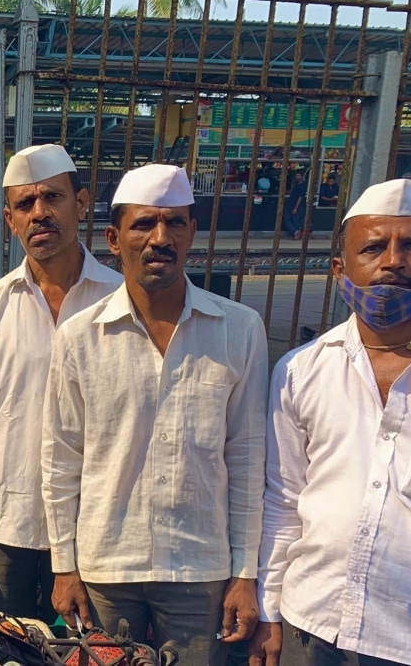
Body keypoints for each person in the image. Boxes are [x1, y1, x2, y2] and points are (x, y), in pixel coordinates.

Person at [42, 164, 268, 664]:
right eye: (143, 224)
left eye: (175, 223)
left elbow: (249, 460)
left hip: (199, 570)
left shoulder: (239, 329)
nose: (160, 238)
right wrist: (64, 568)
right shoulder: (79, 336)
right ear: (113, 237)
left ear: (191, 233)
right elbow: (60, 461)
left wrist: (245, 573)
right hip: (105, 568)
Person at [249, 179, 411, 666]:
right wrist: (270, 611)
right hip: (311, 622)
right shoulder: (300, 370)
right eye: (374, 247)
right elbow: (284, 499)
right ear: (340, 268)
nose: (393, 261)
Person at [0, 145, 122, 625]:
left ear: (81, 204)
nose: (39, 213)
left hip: (95, 528)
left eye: (52, 198)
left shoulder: (121, 302)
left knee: (86, 655)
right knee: (1, 652)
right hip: (7, 525)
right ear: (9, 219)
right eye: (25, 204)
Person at [282, 170, 309, 239]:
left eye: (298, 176)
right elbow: (291, 191)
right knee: (288, 219)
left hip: (297, 206)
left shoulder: (303, 186)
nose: (297, 177)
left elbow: (300, 197)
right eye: (296, 176)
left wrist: (296, 208)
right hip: (291, 204)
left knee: (294, 220)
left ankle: (295, 233)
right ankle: (295, 233)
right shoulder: (296, 184)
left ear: (302, 177)